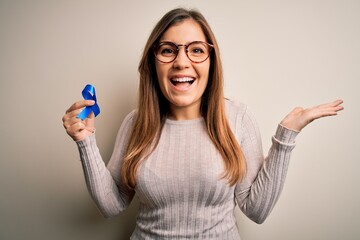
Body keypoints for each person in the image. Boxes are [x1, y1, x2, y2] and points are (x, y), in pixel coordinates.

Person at [62, 8, 344, 239]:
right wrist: (85, 142)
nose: (181, 62)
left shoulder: (237, 119)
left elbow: (257, 210)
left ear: (211, 61)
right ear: (153, 62)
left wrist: (286, 135)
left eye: (196, 50)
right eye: (168, 50)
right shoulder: (136, 123)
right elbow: (112, 205)